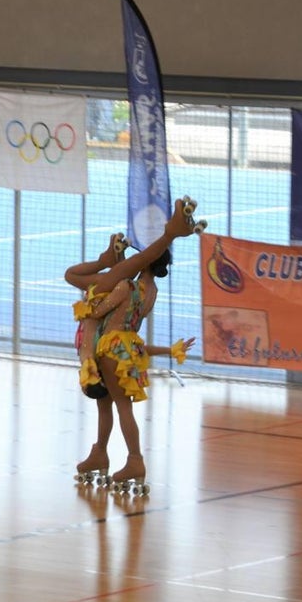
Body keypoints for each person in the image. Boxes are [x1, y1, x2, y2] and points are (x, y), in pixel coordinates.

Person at [65, 203, 197, 493]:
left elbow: (92, 302)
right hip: (129, 348)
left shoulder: (125, 286)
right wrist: (169, 350)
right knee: (105, 404)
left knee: (122, 408)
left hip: (110, 347)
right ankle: (99, 453)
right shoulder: (151, 293)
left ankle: (135, 460)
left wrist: (94, 294)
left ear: (146, 263)